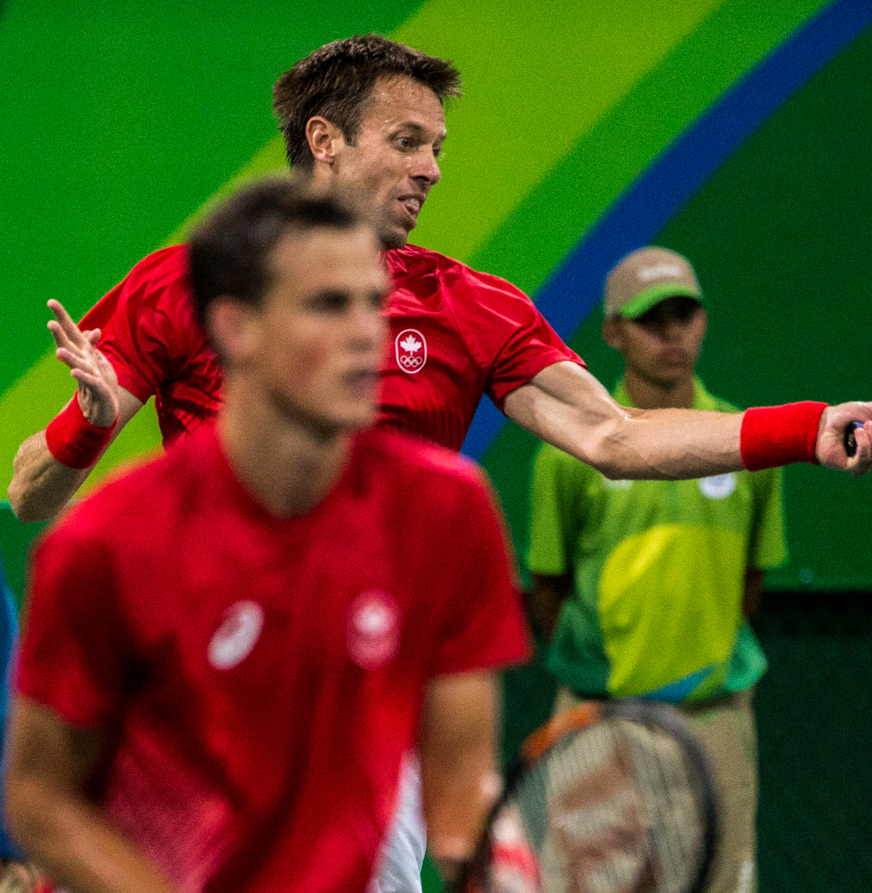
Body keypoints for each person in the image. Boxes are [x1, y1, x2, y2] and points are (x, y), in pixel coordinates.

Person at [5, 34, 872, 892]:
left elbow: (615, 436)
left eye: (437, 147)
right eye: (406, 141)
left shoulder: (466, 320)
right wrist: (87, 428)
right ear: (324, 140)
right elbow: (27, 494)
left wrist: (804, 429)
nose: (430, 169)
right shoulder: (184, 291)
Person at [4, 179, 530, 893]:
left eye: (372, 305)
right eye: (326, 304)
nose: (363, 336)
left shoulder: (448, 513)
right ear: (235, 327)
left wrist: (497, 863)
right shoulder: (108, 543)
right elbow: (37, 795)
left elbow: (462, 779)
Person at [529, 247, 783, 893]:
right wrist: (606, 679)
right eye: (652, 319)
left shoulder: (747, 441)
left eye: (685, 314)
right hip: (599, 719)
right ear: (613, 331)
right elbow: (548, 592)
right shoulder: (566, 452)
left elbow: (750, 587)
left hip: (716, 719)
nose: (673, 332)